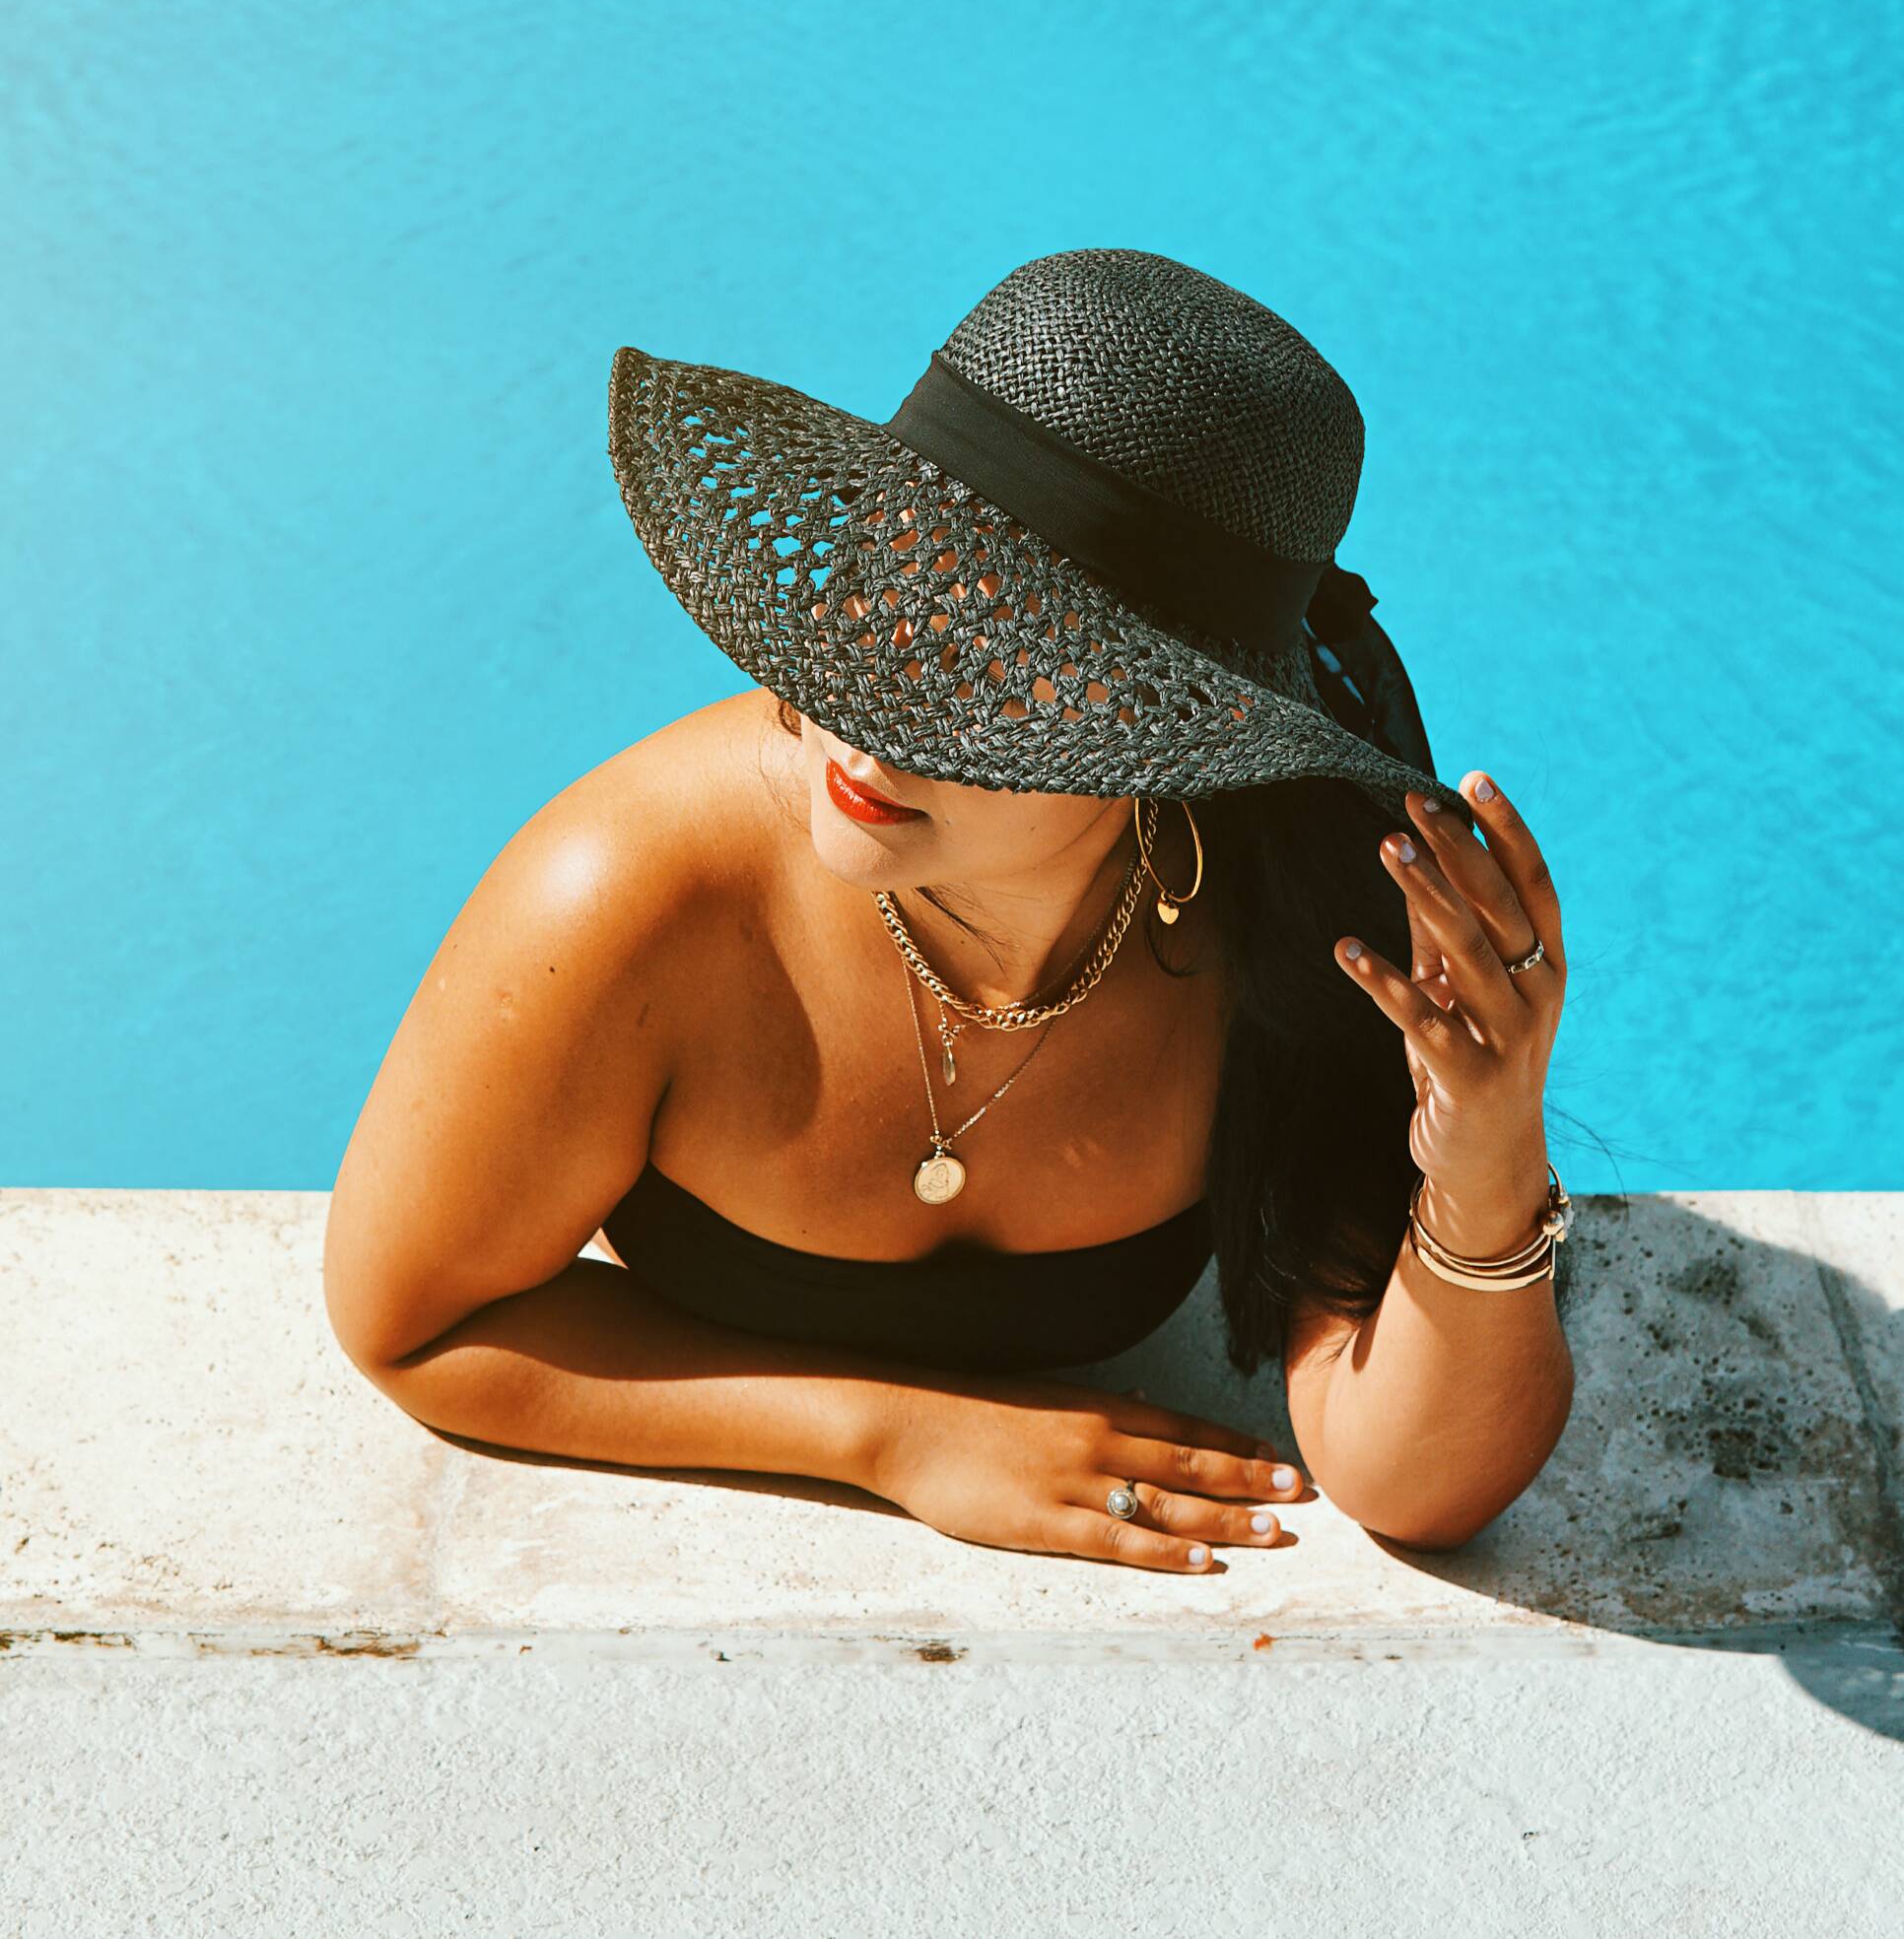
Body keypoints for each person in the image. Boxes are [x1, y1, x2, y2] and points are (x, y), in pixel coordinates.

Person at [324, 249, 1575, 1571]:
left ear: (1174, 735)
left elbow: (1412, 1481)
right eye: (885, 576)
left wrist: (1487, 1167)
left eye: (997, 654)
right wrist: (896, 1437)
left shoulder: (1287, 919)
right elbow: (413, 1320)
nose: (873, 688)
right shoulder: (631, 896)